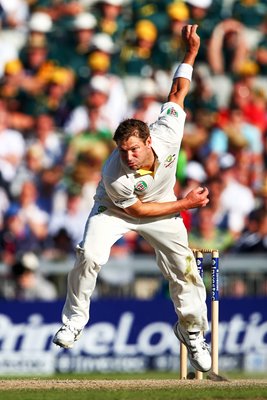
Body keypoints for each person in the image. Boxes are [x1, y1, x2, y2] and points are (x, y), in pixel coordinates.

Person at [53, 24, 212, 373]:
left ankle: (194, 332)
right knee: (89, 253)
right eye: (123, 151)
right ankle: (75, 321)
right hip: (117, 210)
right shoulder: (115, 173)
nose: (129, 157)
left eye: (134, 149)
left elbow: (176, 91)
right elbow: (138, 210)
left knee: (185, 273)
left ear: (148, 141)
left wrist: (191, 52)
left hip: (164, 208)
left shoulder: (167, 132)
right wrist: (184, 205)